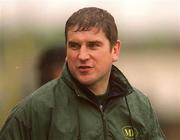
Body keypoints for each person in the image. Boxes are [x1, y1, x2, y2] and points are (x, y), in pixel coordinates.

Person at [0, 7, 166, 140]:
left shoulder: (139, 106)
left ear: (115, 50)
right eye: (74, 46)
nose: (83, 55)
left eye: (93, 45)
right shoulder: (33, 111)